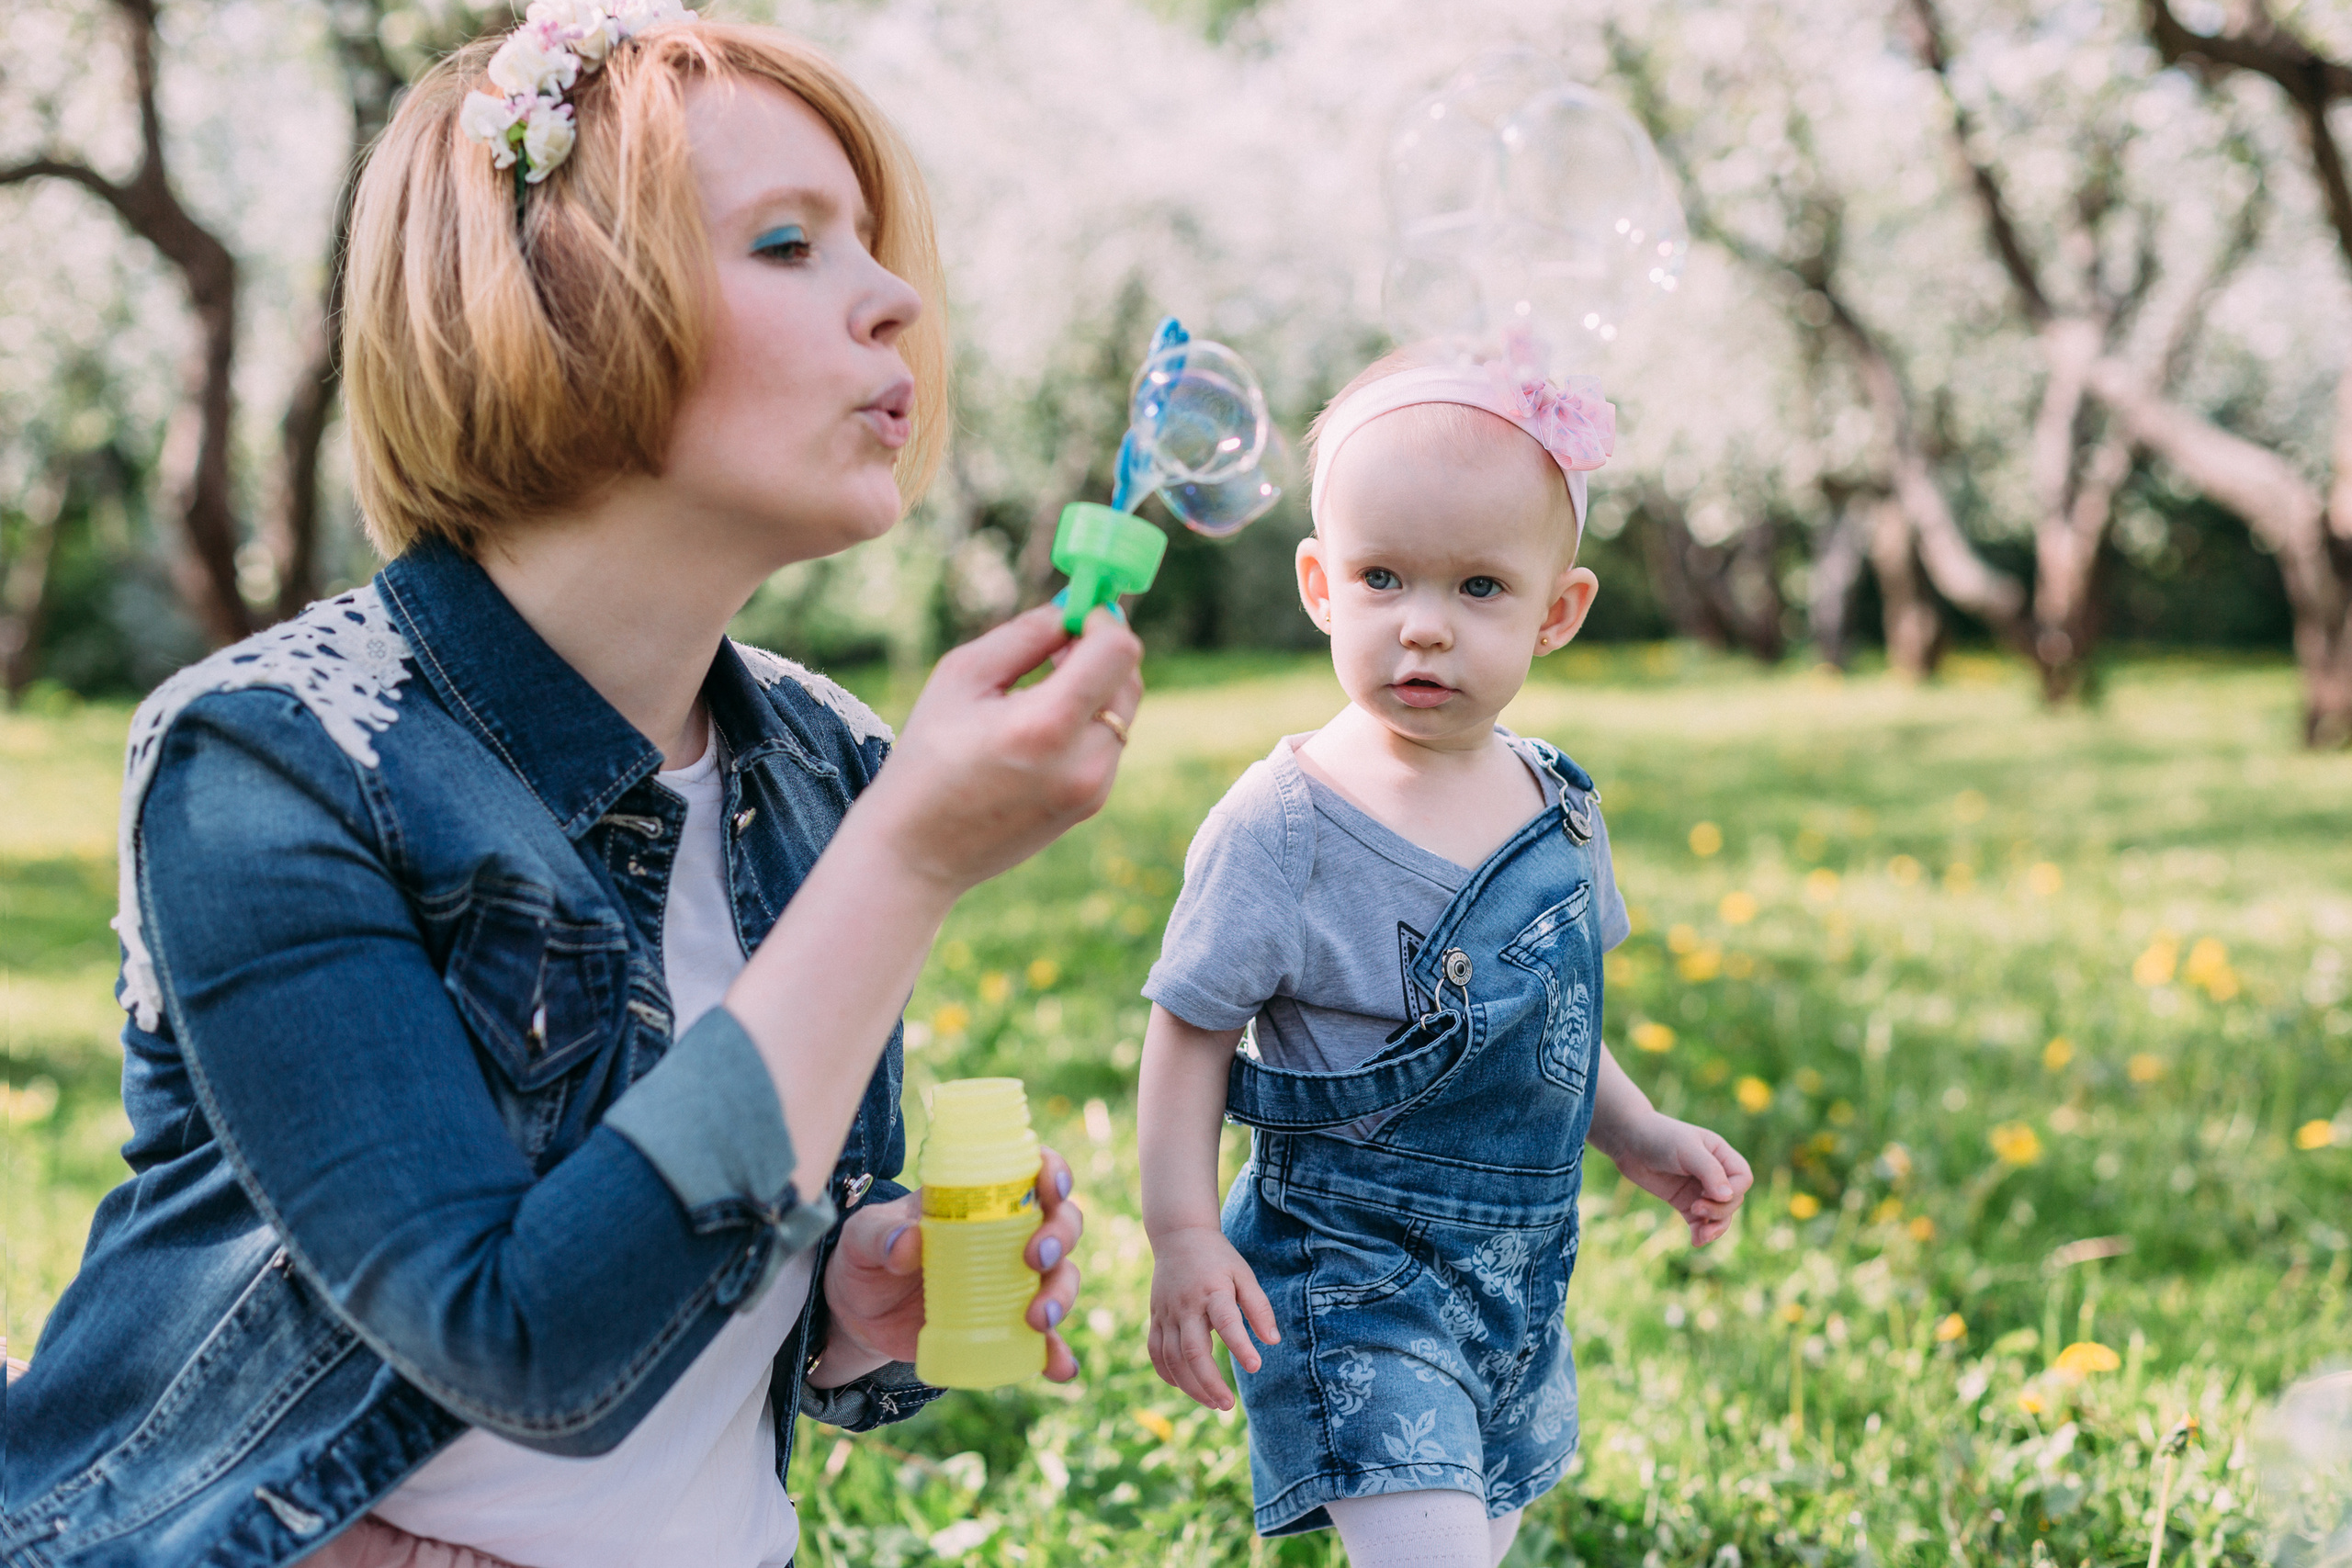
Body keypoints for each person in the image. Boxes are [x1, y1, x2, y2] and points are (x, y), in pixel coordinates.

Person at [1, 9, 1139, 1566]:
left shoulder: (824, 764)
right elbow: (519, 1343)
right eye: (791, 243)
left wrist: (854, 1296)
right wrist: (910, 863)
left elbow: (718, 1219)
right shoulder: (278, 754)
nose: (896, 301)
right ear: (549, 311)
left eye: (877, 249)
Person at [1136, 345, 1756, 1567]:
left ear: (1556, 612)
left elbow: (1549, 1030)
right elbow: (1189, 1029)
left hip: (1516, 1278)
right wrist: (1183, 1234)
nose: (1424, 625)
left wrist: (1639, 1133)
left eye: (1479, 587)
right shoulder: (1283, 827)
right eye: (1382, 578)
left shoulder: (1559, 810)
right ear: (1321, 585)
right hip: (1350, 1274)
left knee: (1481, 1532)